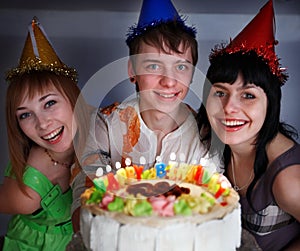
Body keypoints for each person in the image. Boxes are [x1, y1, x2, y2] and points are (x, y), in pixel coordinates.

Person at [70, 0, 208, 237]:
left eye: (181, 67)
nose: (169, 81)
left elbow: (209, 209)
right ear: (132, 71)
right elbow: (84, 205)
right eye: (154, 65)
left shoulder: (203, 134)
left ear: (192, 73)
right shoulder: (103, 126)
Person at [197, 1, 300, 250]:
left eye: (248, 95)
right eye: (220, 93)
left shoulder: (288, 180)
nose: (229, 108)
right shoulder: (206, 136)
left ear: (270, 105)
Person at [0, 17, 90, 251]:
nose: (42, 123)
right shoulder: (30, 189)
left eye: (49, 103)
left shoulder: (102, 132)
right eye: (25, 115)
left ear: (74, 99)